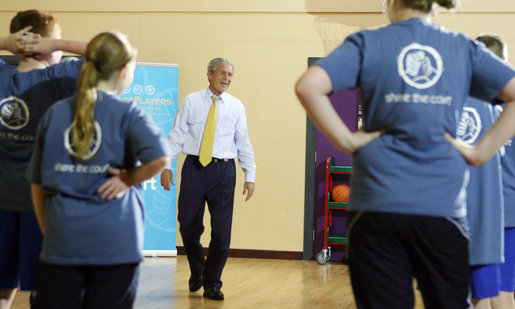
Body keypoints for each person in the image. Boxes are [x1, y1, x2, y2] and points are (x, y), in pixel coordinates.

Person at [295, 0, 515, 308]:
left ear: (390, 2)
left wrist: (346, 140)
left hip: (376, 207)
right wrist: (481, 153)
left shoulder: (368, 42)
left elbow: (308, 86)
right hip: (442, 211)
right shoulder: (462, 47)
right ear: (437, 6)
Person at [26, 31, 171, 309]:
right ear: (125, 69)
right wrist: (129, 178)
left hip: (62, 243)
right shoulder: (129, 113)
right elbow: (161, 158)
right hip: (116, 246)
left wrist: (51, 231)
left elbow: (36, 185)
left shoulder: (55, 113)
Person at [0, 10, 86, 309]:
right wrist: (59, 43)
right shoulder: (60, 75)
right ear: (48, 44)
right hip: (44, 209)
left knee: (10, 289)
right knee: (46, 292)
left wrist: (4, 43)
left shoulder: (58, 76)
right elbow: (116, 57)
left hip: (34, 205)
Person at [160, 57, 256, 300]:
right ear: (209, 74)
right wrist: (166, 165)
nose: (227, 78)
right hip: (194, 168)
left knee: (222, 232)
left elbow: (243, 142)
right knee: (188, 226)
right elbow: (176, 134)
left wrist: (250, 174)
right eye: (223, 73)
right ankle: (197, 270)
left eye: (231, 75)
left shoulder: (236, 106)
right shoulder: (191, 101)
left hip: (224, 172)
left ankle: (213, 282)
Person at [458, 34, 507, 309]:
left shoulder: (472, 102)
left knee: (477, 295)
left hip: (480, 216)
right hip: (484, 216)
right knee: (491, 294)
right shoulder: (491, 103)